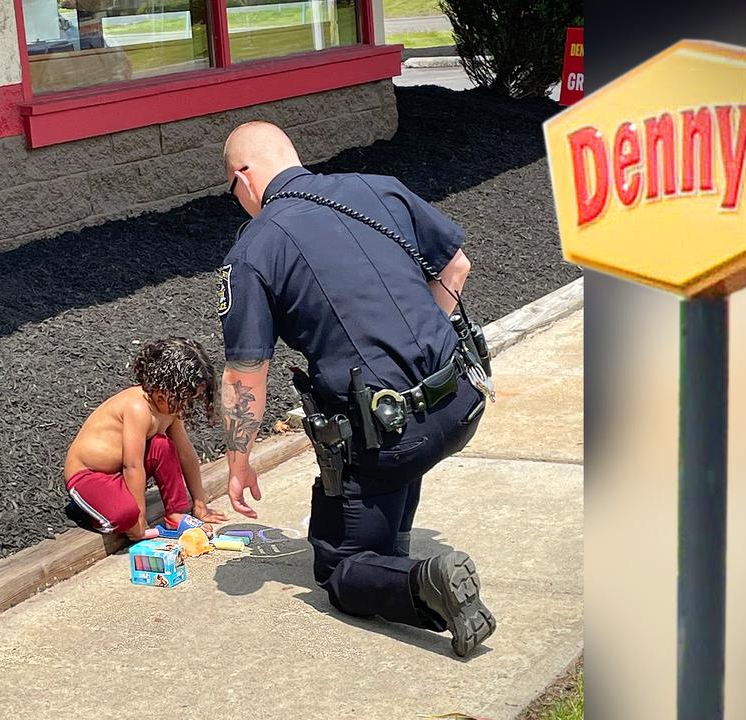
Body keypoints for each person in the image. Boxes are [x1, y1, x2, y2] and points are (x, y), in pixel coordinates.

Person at [217, 121, 496, 657]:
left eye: (233, 193)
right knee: (390, 459)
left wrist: (238, 460)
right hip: (460, 401)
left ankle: (423, 584)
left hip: (391, 439)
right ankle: (394, 550)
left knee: (337, 565)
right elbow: (456, 264)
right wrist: (418, 358)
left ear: (243, 179)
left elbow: (245, 372)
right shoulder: (378, 188)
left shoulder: (253, 251)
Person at [64, 337, 228, 541]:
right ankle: (84, 510)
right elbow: (132, 465)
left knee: (163, 445)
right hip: (89, 477)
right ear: (161, 386)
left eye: (189, 400)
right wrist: (140, 518)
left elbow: (186, 454)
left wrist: (200, 504)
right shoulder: (138, 407)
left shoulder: (170, 410)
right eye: (181, 397)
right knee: (126, 517)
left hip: (119, 474)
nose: (184, 405)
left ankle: (176, 514)